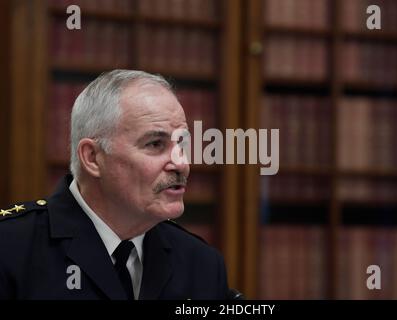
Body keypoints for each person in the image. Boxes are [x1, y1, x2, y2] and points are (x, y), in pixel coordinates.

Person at [0, 70, 230, 300]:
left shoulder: (201, 264)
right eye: (155, 144)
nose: (182, 164)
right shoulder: (11, 247)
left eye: (182, 144)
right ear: (92, 157)